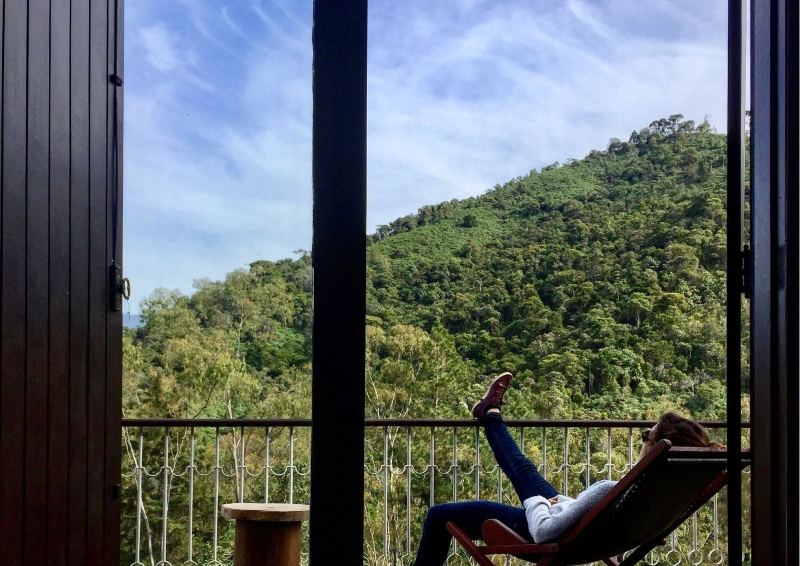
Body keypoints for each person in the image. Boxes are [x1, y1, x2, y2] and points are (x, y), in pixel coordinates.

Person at [413, 372, 723, 566]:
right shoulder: (661, 497)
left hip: (547, 533)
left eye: (646, 436)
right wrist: (563, 505)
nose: (642, 441)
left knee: (439, 515)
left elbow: (544, 532)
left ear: (656, 447)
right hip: (577, 526)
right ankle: (490, 413)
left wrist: (538, 504)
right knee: (523, 469)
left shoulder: (610, 490)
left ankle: (490, 413)